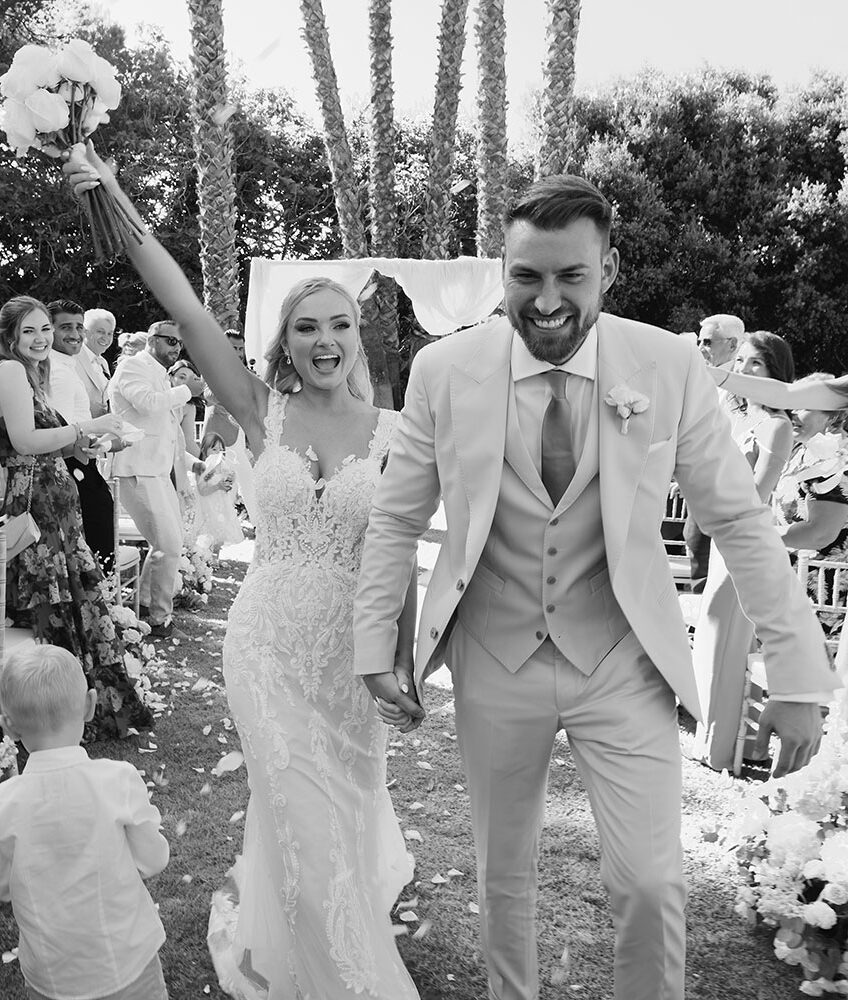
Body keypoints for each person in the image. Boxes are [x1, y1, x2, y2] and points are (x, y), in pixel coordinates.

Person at [351, 174, 836, 1000]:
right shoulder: (444, 368)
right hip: (494, 652)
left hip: (623, 659)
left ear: (607, 270)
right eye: (525, 276)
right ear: (502, 272)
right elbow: (397, 517)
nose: (546, 301)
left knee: (651, 882)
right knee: (503, 874)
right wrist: (374, 645)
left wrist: (795, 673)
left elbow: (738, 518)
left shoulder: (667, 365)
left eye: (570, 276)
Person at [64, 146, 420, 1000]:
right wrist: (114, 194)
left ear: (358, 335)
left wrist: (401, 662)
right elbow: (186, 308)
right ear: (285, 343)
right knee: (297, 809)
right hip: (264, 647)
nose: (324, 340)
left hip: (350, 656)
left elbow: (398, 554)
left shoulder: (397, 431)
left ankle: (296, 941)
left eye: (339, 325)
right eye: (306, 327)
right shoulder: (264, 410)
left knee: (339, 810)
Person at [0, 295, 153, 741]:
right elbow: (24, 442)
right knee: (50, 605)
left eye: (44, 329)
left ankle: (68, 709)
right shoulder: (10, 371)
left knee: (69, 599)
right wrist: (89, 427)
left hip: (56, 505)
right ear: (9, 336)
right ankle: (48, 715)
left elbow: (42, 439)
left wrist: (79, 443)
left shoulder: (32, 373)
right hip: (37, 506)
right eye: (29, 331)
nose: (41, 339)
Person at [0, 645, 169, 1000]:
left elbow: (3, 885)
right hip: (128, 959)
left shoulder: (5, 804)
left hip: (52, 975)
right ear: (90, 705)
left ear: (8, 726)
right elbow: (153, 859)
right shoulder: (118, 779)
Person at [691, 331, 796, 771]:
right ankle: (708, 737)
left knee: (727, 637)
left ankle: (718, 749)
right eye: (742, 362)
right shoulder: (734, 418)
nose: (745, 370)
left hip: (746, 541)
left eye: (757, 364)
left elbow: (759, 492)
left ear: (774, 373)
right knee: (710, 632)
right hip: (722, 535)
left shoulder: (778, 425)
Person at [107, 320, 204, 640]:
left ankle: (147, 609)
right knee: (168, 544)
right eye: (170, 341)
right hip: (136, 468)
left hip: (158, 471)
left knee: (169, 544)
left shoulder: (160, 373)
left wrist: (190, 465)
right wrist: (187, 391)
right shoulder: (134, 366)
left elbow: (168, 431)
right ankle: (159, 618)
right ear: (152, 339)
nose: (176, 348)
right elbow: (146, 403)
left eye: (179, 343)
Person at [47, 298, 116, 569]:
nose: (75, 334)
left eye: (79, 327)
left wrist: (99, 443)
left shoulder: (67, 366)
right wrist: (98, 431)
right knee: (94, 554)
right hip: (71, 471)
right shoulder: (57, 372)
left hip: (82, 463)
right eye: (66, 327)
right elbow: (59, 435)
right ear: (49, 330)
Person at [684, 313, 746, 589]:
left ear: (732, 345)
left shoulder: (745, 384)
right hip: (700, 486)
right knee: (695, 549)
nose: (701, 348)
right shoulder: (700, 378)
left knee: (720, 572)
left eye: (708, 342)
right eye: (699, 341)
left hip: (730, 490)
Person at [191, 432, 242, 555]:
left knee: (220, 532)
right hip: (207, 506)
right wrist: (218, 485)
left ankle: (215, 556)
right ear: (204, 450)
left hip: (220, 506)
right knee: (207, 534)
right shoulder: (203, 467)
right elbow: (202, 490)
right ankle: (206, 556)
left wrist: (230, 479)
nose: (218, 453)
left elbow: (228, 484)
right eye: (214, 449)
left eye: (220, 450)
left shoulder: (222, 466)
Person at [78, 307, 115, 413]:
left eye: (110, 333)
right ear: (85, 332)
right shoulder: (73, 359)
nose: (106, 338)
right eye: (100, 332)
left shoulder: (103, 363)